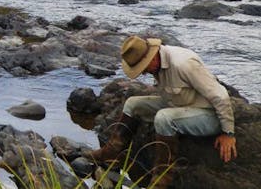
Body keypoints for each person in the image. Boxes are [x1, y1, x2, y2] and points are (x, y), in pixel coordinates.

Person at [89, 35, 237, 188]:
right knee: (132, 104)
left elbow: (220, 95)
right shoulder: (159, 63)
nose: (144, 73)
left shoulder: (184, 64)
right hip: (180, 106)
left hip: (207, 115)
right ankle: (110, 154)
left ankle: (162, 179)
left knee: (163, 118)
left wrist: (228, 133)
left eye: (144, 68)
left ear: (152, 58)